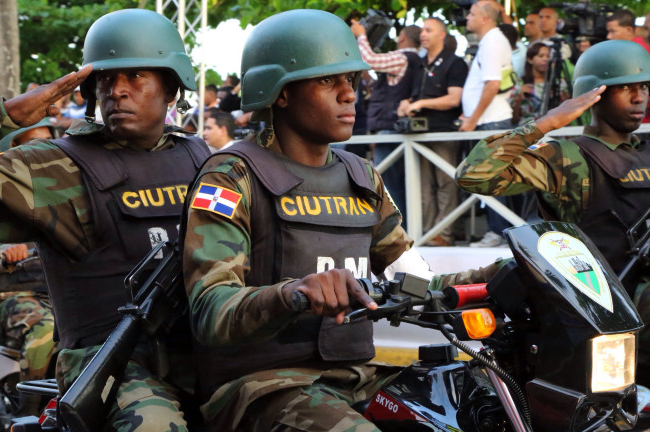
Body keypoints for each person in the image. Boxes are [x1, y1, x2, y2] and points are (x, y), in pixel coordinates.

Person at [182, 9, 502, 431]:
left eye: (350, 80)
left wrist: (497, 275)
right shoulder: (231, 175)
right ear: (281, 93)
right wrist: (293, 293)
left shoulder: (361, 175)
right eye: (327, 81)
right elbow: (210, 310)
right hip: (261, 385)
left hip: (356, 376)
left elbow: (414, 284)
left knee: (478, 413)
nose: (349, 94)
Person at [0, 9, 209, 432]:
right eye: (104, 79)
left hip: (202, 349)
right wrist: (1, 117)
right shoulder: (55, 166)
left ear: (171, 87)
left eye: (136, 75)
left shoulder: (203, 159)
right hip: (113, 366)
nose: (117, 90)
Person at [456, 39, 650, 387]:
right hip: (596, 318)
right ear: (594, 94)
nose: (639, 98)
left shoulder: (648, 153)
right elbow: (474, 174)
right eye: (625, 88)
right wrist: (545, 123)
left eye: (644, 87)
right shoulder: (568, 156)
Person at [397, 17, 468, 246]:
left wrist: (421, 103)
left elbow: (454, 99)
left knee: (446, 183)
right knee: (422, 186)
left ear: (442, 35)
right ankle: (427, 233)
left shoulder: (454, 62)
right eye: (422, 30)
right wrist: (406, 104)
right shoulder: (418, 63)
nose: (423, 34)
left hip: (443, 131)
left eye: (429, 30)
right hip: (418, 133)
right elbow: (412, 95)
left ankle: (444, 234)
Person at [351, 20, 421, 226]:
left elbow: (369, 60)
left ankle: (397, 229)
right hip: (397, 128)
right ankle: (403, 227)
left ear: (402, 37)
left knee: (388, 185)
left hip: (390, 128)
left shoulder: (402, 57)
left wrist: (361, 34)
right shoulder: (416, 60)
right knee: (396, 183)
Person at [459, 0, 515, 248]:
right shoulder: (491, 40)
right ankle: (500, 233)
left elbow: (492, 84)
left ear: (484, 18)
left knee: (491, 178)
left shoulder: (492, 42)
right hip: (488, 121)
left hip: (490, 123)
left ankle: (499, 234)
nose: (467, 18)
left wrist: (472, 119)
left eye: (471, 14)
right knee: (490, 177)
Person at [510, 42, 569, 125]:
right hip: (527, 129)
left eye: (548, 56)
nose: (545, 59)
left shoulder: (559, 83)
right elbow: (513, 119)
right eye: (540, 56)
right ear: (530, 59)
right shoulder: (520, 83)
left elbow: (568, 113)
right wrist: (519, 97)